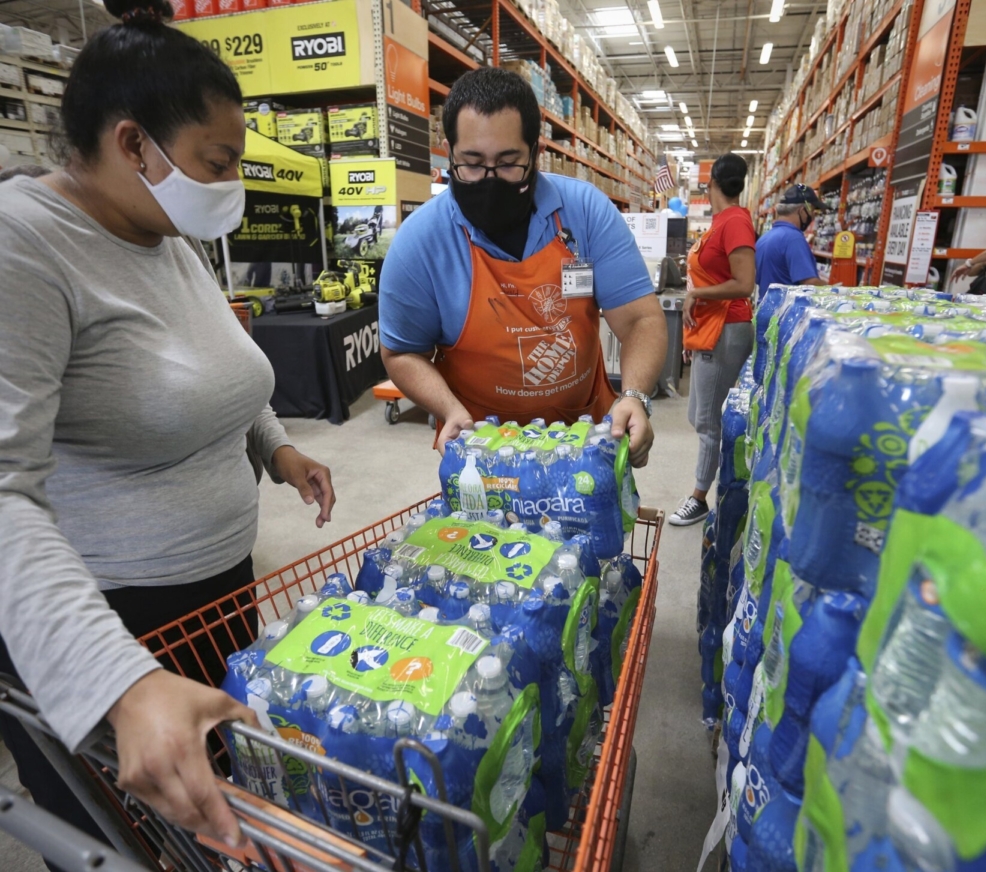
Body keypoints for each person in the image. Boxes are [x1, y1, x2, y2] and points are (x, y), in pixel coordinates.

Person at [0, 0, 336, 859]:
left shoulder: (164, 233)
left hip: (215, 592)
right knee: (131, 838)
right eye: (216, 161)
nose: (229, 184)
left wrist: (275, 446)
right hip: (108, 622)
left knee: (217, 817)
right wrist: (121, 681)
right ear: (132, 143)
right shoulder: (24, 247)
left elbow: (211, 372)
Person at [378, 68, 666, 467]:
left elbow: (640, 321)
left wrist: (634, 395)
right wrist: (447, 408)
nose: (489, 180)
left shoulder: (585, 211)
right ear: (449, 151)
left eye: (509, 162)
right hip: (483, 450)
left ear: (536, 151)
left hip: (588, 439)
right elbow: (402, 353)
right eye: (472, 163)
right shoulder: (420, 242)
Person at [670, 153, 757, 527]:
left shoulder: (735, 221)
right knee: (698, 414)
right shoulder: (721, 222)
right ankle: (721, 480)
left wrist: (697, 296)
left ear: (710, 186)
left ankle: (699, 498)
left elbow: (744, 284)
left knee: (707, 421)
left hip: (726, 328)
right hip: (711, 329)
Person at [755, 183, 830, 290]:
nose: (813, 216)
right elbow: (810, 283)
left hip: (766, 305)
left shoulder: (764, 239)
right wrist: (836, 291)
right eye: (812, 210)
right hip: (788, 306)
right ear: (802, 210)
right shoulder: (794, 239)